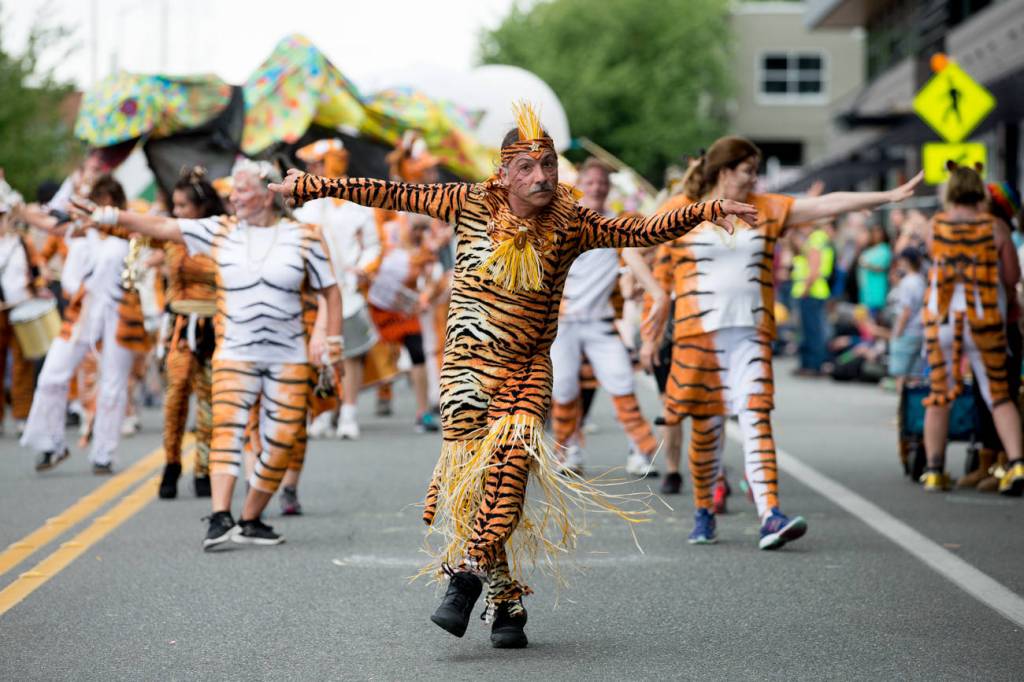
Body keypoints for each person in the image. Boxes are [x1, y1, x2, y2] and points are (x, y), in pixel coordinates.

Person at [269, 103, 757, 648]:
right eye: (528, 167)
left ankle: (466, 575)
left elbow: (639, 229)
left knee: (507, 471)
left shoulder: (573, 222)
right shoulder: (471, 200)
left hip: (524, 371)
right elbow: (391, 193)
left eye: (548, 164)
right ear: (504, 173)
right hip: (463, 370)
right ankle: (507, 603)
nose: (542, 176)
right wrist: (313, 184)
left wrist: (704, 209)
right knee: (478, 486)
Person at [642, 135, 922, 549]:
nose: (755, 177)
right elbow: (628, 243)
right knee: (708, 429)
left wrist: (889, 195)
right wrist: (659, 293)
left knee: (757, 420)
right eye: (747, 170)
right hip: (697, 337)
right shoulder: (683, 210)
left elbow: (827, 205)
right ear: (723, 171)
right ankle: (704, 511)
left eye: (756, 171)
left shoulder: (767, 208)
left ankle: (770, 514)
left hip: (751, 335)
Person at [71, 160, 343, 546]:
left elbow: (330, 289)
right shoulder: (219, 230)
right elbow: (163, 226)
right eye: (233, 190)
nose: (234, 197)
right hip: (234, 352)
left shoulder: (305, 236)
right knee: (227, 431)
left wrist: (330, 341)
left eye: (243, 190)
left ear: (269, 193)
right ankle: (219, 516)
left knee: (283, 440)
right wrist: (109, 214)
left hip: (288, 354)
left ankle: (250, 518)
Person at [550, 158, 663, 477]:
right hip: (565, 325)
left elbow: (645, 246)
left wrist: (645, 283)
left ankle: (640, 452)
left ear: (608, 187)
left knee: (622, 382)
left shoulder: (617, 225)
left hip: (601, 324)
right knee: (563, 388)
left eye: (602, 182)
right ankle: (567, 451)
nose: (597, 187)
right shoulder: (561, 224)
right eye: (590, 182)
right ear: (579, 185)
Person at [19, 175, 137, 474]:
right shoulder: (78, 232)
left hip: (119, 314)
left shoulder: (129, 231)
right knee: (51, 377)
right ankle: (50, 443)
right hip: (81, 313)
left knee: (112, 385)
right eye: (100, 199)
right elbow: (48, 220)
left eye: (110, 200)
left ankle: (104, 453)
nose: (104, 205)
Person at [919, 163, 1024, 495]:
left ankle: (934, 470)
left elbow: (934, 263)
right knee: (998, 395)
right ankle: (1017, 464)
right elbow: (1012, 278)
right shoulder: (996, 229)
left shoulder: (935, 226)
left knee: (939, 395)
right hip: (985, 319)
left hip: (944, 319)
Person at [294, 139, 380, 440]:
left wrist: (364, 269)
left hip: (348, 291)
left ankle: (349, 413)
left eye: (315, 165)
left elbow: (373, 246)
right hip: (316, 293)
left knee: (351, 354)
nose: (310, 170)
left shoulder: (359, 204)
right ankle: (324, 410)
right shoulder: (309, 207)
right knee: (320, 353)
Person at [157, 167, 225, 499]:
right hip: (180, 329)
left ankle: (204, 469)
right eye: (175, 206)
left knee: (210, 400)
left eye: (184, 206)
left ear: (201, 206)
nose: (178, 212)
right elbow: (125, 228)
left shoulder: (221, 235)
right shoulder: (169, 235)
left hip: (214, 328)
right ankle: (171, 464)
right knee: (176, 395)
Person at [0, 179, 42, 437]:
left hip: (21, 307)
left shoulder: (23, 242)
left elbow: (37, 269)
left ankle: (22, 414)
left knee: (23, 364)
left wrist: (38, 285)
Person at [791, 219, 834, 375]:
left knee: (811, 331)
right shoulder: (820, 238)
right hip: (816, 291)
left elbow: (814, 269)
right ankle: (810, 364)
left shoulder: (816, 239)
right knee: (813, 330)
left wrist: (805, 289)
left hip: (811, 291)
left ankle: (812, 365)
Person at [887, 247, 926, 394]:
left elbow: (906, 311)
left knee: (901, 375)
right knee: (914, 376)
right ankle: (911, 409)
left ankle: (901, 409)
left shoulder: (907, 282)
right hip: (919, 330)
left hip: (907, 331)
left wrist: (897, 332)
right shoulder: (921, 280)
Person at [857, 223, 892, 319]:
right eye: (874, 232)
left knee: (873, 318)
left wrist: (866, 265)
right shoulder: (868, 249)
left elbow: (881, 267)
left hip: (876, 290)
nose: (876, 235)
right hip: (866, 291)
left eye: (879, 232)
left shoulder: (884, 249)